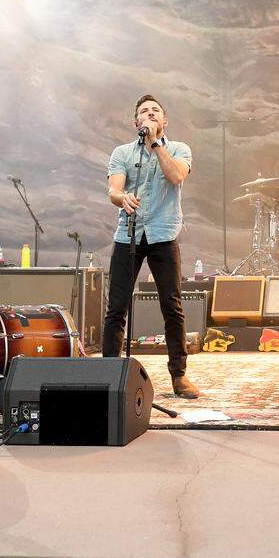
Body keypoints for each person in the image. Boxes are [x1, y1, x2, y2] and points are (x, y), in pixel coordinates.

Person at [104, 94, 199, 399]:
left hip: (163, 233)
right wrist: (123, 198)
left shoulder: (178, 149)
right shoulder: (122, 152)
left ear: (164, 120)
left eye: (156, 110)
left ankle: (179, 375)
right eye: (144, 111)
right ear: (136, 123)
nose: (150, 113)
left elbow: (176, 176)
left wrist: (156, 144)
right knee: (116, 307)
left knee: (171, 306)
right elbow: (113, 190)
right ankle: (108, 375)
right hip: (128, 232)